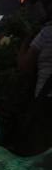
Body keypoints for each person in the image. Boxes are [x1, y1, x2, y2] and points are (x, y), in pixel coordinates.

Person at [18, 25, 52, 155]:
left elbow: (24, 67)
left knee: (42, 150)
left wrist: (24, 45)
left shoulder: (46, 33)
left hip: (47, 100)